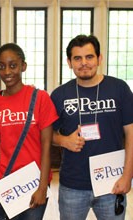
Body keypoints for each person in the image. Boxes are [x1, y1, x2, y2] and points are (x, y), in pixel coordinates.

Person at [51, 34, 133, 220]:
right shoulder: (59, 95)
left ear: (99, 58)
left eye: (89, 57)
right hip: (72, 186)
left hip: (112, 183)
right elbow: (47, 134)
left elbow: (131, 134)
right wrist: (64, 140)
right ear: (69, 62)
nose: (84, 63)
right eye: (77, 58)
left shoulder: (119, 89)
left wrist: (128, 176)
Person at [0, 43, 58, 220]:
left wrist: (42, 187)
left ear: (23, 66)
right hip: (5, 180)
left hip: (34, 182)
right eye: (2, 66)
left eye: (13, 65)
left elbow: (47, 146)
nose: (7, 71)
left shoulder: (40, 98)